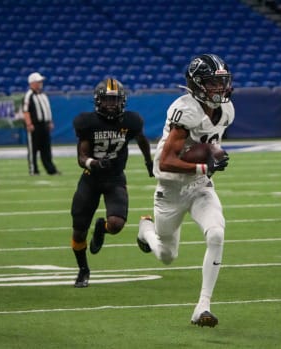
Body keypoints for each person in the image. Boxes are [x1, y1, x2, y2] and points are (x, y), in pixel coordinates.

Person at [136, 54, 233, 327]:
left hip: (200, 186)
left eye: (222, 82)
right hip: (170, 188)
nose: (219, 89)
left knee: (216, 233)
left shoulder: (227, 110)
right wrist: (205, 165)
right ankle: (146, 230)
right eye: (213, 83)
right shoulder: (185, 110)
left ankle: (203, 306)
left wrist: (214, 153)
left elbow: (209, 145)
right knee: (167, 255)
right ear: (198, 84)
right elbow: (165, 162)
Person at [70, 78, 154, 288]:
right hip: (90, 179)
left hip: (115, 178)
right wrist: (95, 163)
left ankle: (102, 228)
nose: (110, 104)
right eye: (106, 100)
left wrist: (149, 161)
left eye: (114, 100)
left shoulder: (131, 121)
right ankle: (83, 270)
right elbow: (81, 157)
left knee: (116, 225)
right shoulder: (87, 122)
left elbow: (141, 139)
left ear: (122, 101)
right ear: (98, 101)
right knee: (79, 231)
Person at [23, 72, 60, 176]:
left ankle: (51, 170)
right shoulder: (29, 95)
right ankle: (33, 170)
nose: (40, 83)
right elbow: (26, 111)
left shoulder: (43, 95)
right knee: (33, 149)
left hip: (44, 125)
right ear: (32, 83)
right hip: (35, 125)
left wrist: (49, 121)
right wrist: (29, 124)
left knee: (46, 149)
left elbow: (47, 110)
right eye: (38, 81)